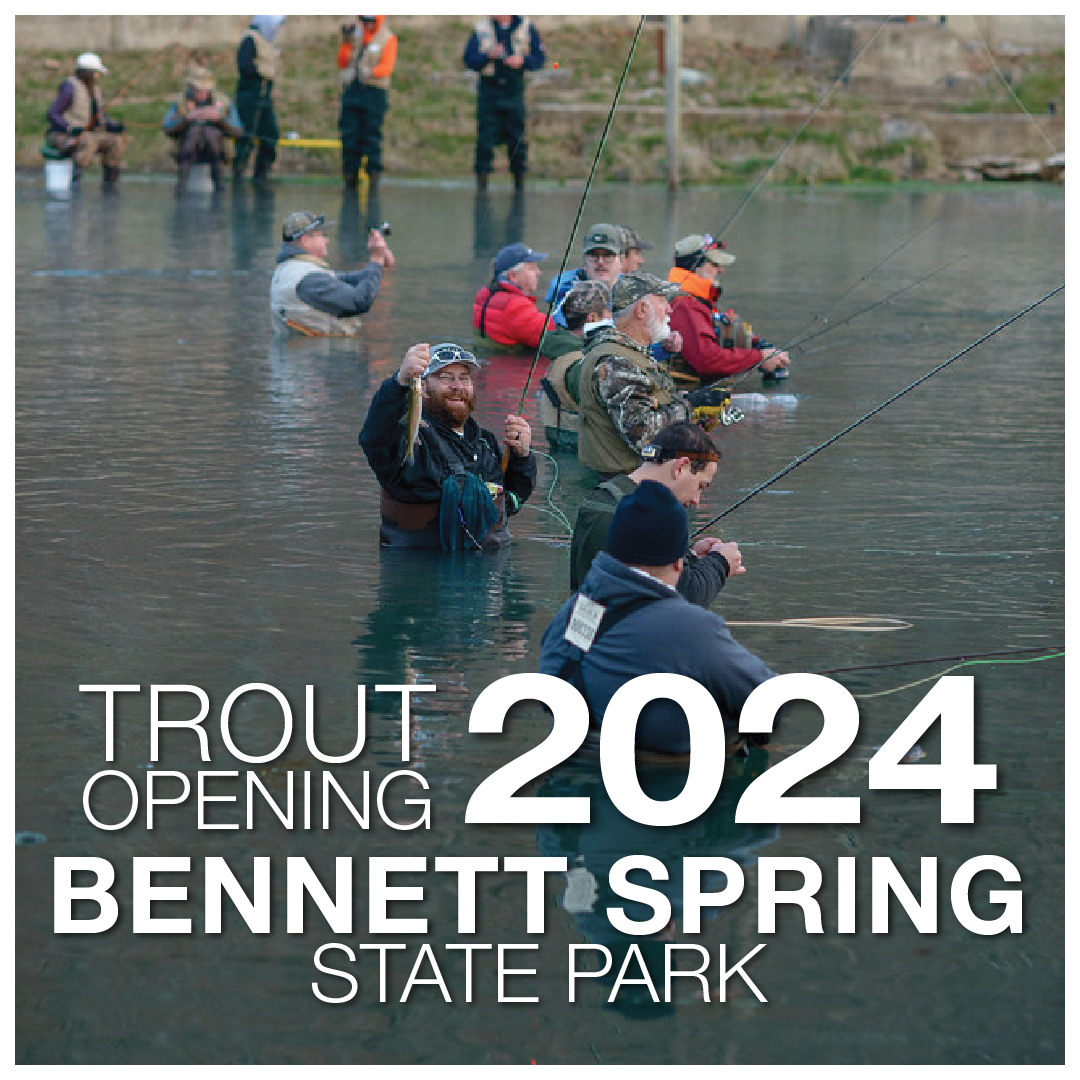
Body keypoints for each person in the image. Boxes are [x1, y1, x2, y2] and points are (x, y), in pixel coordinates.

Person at [539, 481, 778, 755]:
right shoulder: (693, 628)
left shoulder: (571, 612)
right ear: (678, 562)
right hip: (670, 786)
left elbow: (550, 695)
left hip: (577, 779)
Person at [359, 342, 537, 549]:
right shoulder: (409, 438)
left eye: (464, 378)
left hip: (489, 567)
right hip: (423, 570)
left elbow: (511, 503)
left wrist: (522, 457)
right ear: (422, 386)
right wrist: (399, 382)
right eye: (445, 378)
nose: (457, 386)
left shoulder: (485, 442)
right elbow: (375, 437)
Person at [569, 421, 743, 607]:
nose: (696, 500)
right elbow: (682, 598)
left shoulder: (603, 498)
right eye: (700, 486)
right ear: (681, 467)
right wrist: (720, 563)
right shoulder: (640, 515)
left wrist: (689, 556)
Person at [576, 270, 722, 477]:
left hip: (636, 484)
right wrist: (691, 406)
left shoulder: (632, 354)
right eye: (662, 301)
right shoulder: (617, 362)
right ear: (642, 309)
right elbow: (643, 433)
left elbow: (651, 405)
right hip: (622, 488)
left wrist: (697, 408)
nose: (669, 309)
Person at [668, 233, 791, 380]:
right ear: (696, 267)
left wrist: (762, 348)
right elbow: (707, 360)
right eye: (714, 264)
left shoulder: (697, 300)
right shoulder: (685, 304)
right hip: (688, 389)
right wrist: (759, 358)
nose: (720, 270)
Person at [269, 211, 394, 337]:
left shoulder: (291, 269)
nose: (327, 240)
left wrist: (378, 265)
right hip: (319, 354)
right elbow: (360, 301)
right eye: (322, 235)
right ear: (306, 240)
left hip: (302, 353)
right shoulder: (311, 279)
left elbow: (348, 279)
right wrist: (376, 258)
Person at [463, 16, 545, 191]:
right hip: (488, 91)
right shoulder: (481, 28)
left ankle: (519, 184)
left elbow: (540, 58)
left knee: (517, 139)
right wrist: (488, 56)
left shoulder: (526, 27)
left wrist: (523, 61)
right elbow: (469, 59)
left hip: (514, 91)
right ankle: (482, 185)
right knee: (485, 139)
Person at [45, 52, 128, 184]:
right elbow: (52, 114)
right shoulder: (69, 88)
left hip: (87, 135)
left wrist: (114, 126)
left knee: (115, 141)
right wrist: (69, 128)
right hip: (61, 135)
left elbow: (99, 116)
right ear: (87, 73)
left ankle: (110, 183)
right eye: (96, 73)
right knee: (89, 141)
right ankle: (75, 181)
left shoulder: (95, 90)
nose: (98, 76)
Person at [337, 15, 397, 192]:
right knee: (350, 136)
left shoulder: (388, 38)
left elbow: (387, 67)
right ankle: (350, 177)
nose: (367, 24)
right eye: (363, 20)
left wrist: (371, 71)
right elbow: (342, 61)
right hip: (353, 91)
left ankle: (373, 178)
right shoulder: (355, 36)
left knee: (371, 136)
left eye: (370, 20)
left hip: (374, 92)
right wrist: (346, 40)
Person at [162, 65, 243, 193]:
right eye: (197, 89)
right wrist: (186, 119)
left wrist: (219, 120)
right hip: (187, 149)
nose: (200, 93)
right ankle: (181, 184)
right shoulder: (181, 102)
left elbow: (238, 130)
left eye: (204, 89)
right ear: (190, 88)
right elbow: (167, 127)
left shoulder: (222, 102)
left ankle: (218, 182)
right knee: (193, 133)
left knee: (210, 134)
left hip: (216, 149)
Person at [472, 241, 552, 350]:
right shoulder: (515, 305)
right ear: (513, 275)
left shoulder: (486, 295)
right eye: (532, 268)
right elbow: (551, 336)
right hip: (515, 365)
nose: (538, 273)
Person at [234, 15, 285, 183]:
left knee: (270, 134)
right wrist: (261, 73)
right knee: (247, 135)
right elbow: (244, 66)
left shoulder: (266, 41)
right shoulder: (250, 39)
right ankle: (239, 173)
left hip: (264, 95)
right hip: (250, 94)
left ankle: (261, 175)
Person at [544, 223, 623, 329]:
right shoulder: (565, 287)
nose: (600, 262)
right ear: (583, 260)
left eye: (608, 255)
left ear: (621, 260)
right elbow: (560, 328)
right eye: (594, 255)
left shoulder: (632, 290)